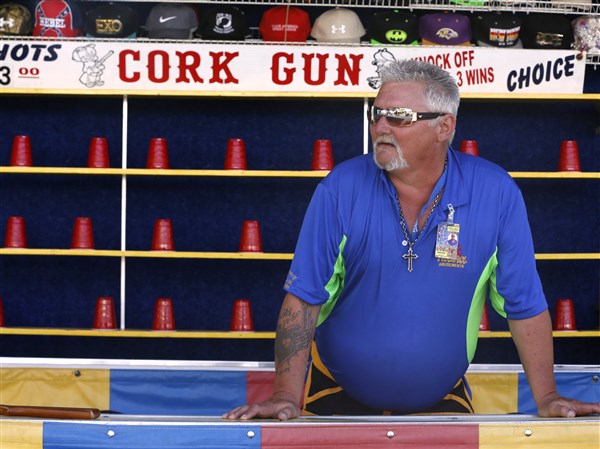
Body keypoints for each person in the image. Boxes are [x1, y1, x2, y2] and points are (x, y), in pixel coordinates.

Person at [223, 59, 600, 420]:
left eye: (399, 117)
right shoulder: (341, 187)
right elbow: (304, 298)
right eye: (377, 113)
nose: (381, 126)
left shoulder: (496, 192)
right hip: (333, 391)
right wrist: (286, 395)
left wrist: (547, 396)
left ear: (444, 126)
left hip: (443, 396)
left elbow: (525, 305)